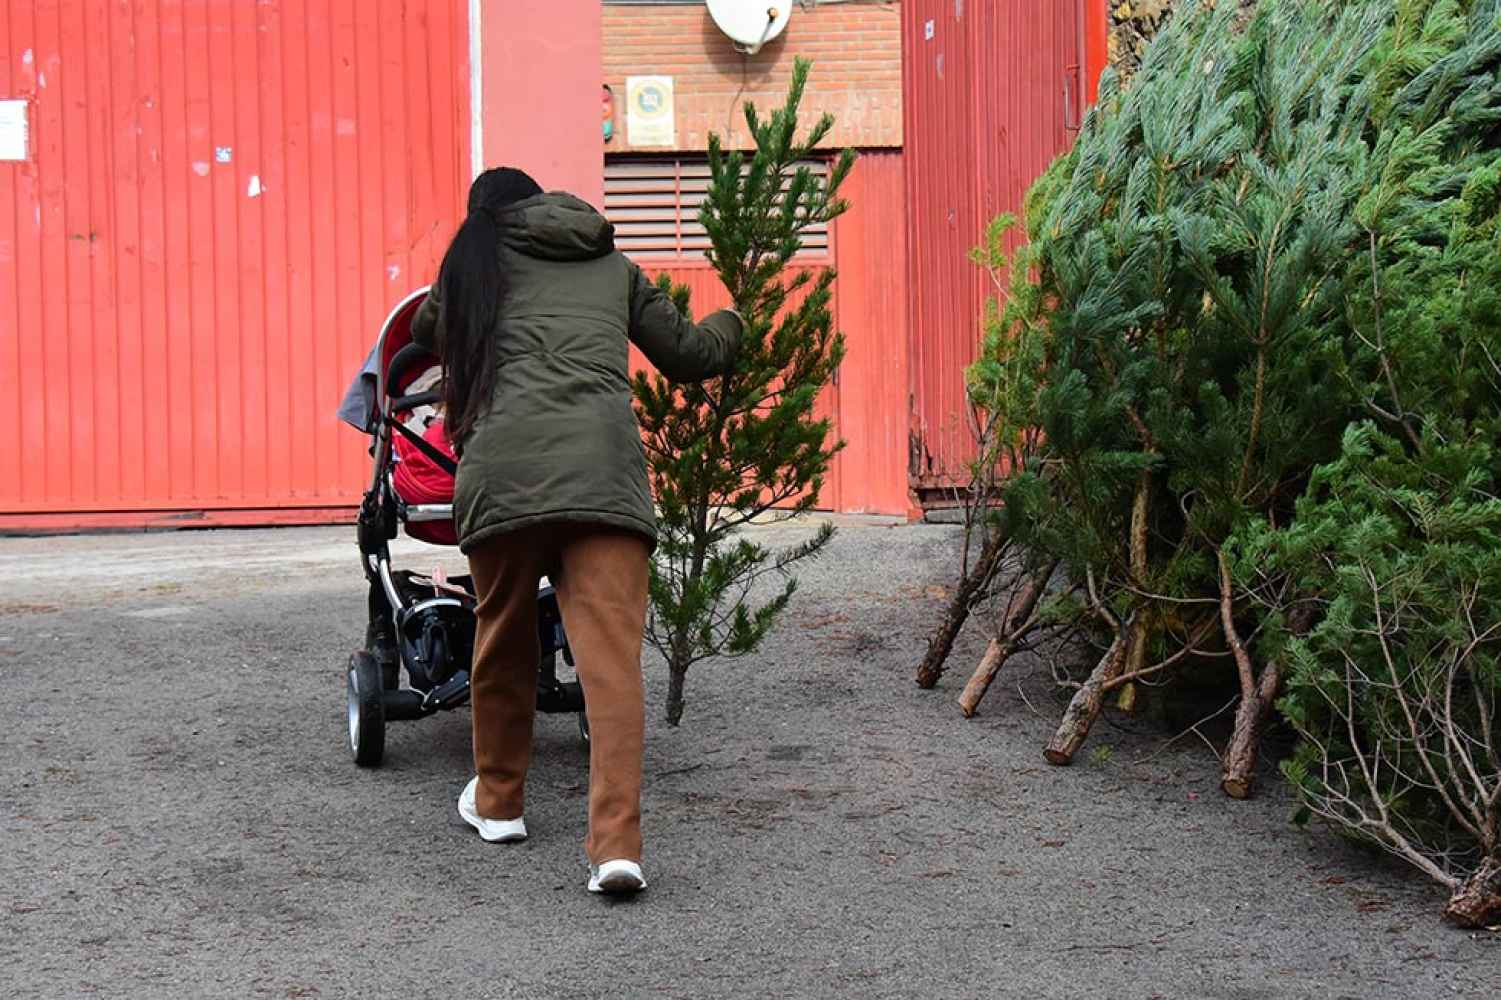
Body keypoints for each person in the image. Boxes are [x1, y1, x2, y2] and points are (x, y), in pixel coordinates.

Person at [410, 167, 742, 895]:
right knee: (610, 665)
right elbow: (690, 355)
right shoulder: (611, 263)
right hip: (603, 478)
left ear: (484, 216)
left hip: (503, 475)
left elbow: (422, 334)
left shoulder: (476, 264)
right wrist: (734, 318)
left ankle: (498, 805)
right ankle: (617, 848)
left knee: (501, 636)